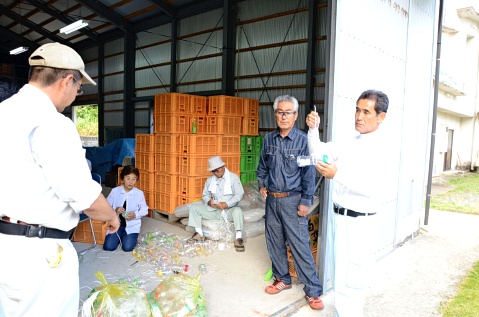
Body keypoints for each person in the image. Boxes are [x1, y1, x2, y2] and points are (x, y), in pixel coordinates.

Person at [0, 42, 120, 317]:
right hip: (40, 254)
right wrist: (111, 216)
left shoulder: (4, 112)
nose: (76, 95)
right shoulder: (51, 123)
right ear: (67, 81)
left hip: (6, 246)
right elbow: (84, 197)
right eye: (79, 89)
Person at [307, 89, 396, 317]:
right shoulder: (350, 141)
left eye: (366, 112)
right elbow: (318, 152)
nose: (359, 116)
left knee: (354, 279)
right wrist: (313, 129)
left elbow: (373, 188)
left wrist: (337, 175)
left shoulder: (383, 147)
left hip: (360, 223)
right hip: (339, 217)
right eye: (357, 110)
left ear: (381, 116)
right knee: (340, 276)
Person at [257, 95, 324, 310]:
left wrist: (306, 201)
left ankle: (313, 290)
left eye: (288, 112)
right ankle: (282, 279)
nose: (283, 116)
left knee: (300, 245)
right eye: (279, 112)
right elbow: (262, 167)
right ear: (275, 114)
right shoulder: (268, 139)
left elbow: (308, 174)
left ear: (296, 116)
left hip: (293, 202)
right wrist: (262, 184)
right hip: (272, 201)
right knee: (274, 241)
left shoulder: (304, 141)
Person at [188, 155, 246, 252]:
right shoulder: (210, 180)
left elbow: (239, 194)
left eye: (217, 170)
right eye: (213, 171)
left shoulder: (233, 178)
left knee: (238, 211)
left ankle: (238, 238)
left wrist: (227, 204)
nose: (215, 173)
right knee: (194, 208)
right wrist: (209, 202)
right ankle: (199, 234)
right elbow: (205, 195)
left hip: (228, 211)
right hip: (214, 210)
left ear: (223, 166)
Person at [103, 165, 149, 252]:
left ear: (136, 180)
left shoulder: (139, 193)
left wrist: (135, 215)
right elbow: (106, 207)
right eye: (128, 178)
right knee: (108, 247)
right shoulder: (115, 191)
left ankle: (127, 236)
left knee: (127, 248)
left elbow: (145, 209)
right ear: (122, 178)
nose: (130, 182)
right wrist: (115, 210)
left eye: (133, 179)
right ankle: (120, 234)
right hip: (116, 224)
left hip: (132, 225)